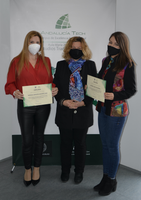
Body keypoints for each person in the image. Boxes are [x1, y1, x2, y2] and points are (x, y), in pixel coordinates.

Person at [5, 31, 58, 187]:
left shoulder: (46, 61)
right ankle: (27, 169)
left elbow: (50, 81)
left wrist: (54, 89)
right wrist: (14, 91)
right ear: (26, 43)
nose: (35, 44)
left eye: (37, 41)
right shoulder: (16, 61)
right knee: (27, 139)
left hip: (43, 106)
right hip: (25, 106)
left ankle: (37, 168)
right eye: (32, 41)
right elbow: (9, 84)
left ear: (41, 44)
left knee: (39, 138)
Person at [93, 32, 136, 196]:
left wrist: (115, 95)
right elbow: (99, 80)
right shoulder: (106, 61)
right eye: (110, 42)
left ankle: (111, 179)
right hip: (103, 108)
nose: (111, 46)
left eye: (116, 44)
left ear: (122, 46)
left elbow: (131, 90)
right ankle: (105, 178)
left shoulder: (128, 64)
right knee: (105, 145)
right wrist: (91, 87)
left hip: (117, 111)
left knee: (112, 146)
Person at [53, 36, 97, 184]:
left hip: (82, 112)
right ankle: (65, 171)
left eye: (79, 48)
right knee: (65, 144)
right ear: (68, 49)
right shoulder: (60, 65)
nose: (76, 51)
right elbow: (55, 88)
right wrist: (63, 101)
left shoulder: (90, 65)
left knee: (80, 144)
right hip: (64, 112)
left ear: (83, 50)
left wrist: (83, 103)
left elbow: (94, 89)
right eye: (73, 48)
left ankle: (79, 172)